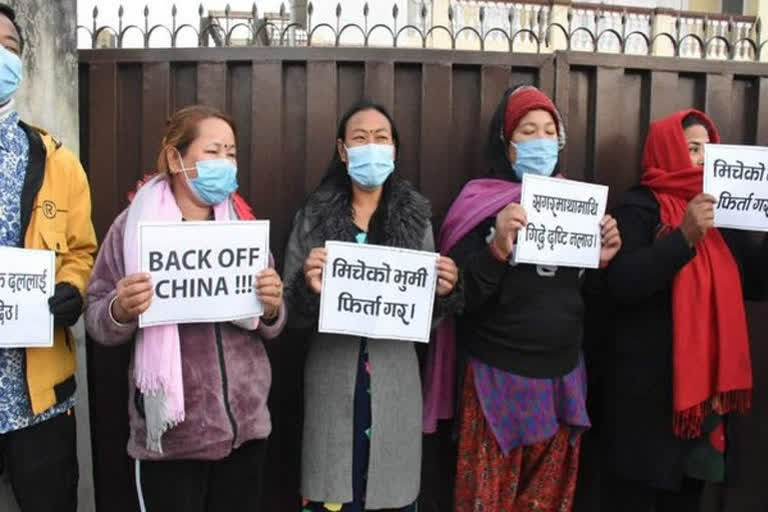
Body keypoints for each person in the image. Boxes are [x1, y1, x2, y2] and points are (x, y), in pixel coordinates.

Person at [85, 105, 285, 512]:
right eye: (213, 152)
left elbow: (271, 323)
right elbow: (96, 318)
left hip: (245, 433)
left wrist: (271, 306)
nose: (226, 163)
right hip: (172, 442)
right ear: (176, 158)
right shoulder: (133, 228)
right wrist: (120, 310)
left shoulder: (242, 225)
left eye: (231, 152)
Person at [438, 85, 621, 511]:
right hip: (496, 383)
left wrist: (602, 260)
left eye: (548, 132)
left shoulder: (577, 207)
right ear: (507, 146)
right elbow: (456, 297)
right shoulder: (478, 205)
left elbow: (583, 296)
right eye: (526, 131)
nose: (541, 141)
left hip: (560, 379)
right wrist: (497, 248)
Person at [283, 99, 461, 512]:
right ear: (342, 150)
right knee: (332, 493)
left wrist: (444, 292)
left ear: (395, 150)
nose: (372, 147)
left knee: (391, 493)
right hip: (332, 377)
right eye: (360, 138)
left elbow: (428, 319)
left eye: (381, 138)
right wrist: (308, 288)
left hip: (395, 379)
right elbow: (288, 314)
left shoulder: (415, 217)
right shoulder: (312, 216)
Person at [601, 109, 768, 511]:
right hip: (647, 402)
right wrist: (684, 238)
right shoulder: (638, 207)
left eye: (709, 151)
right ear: (667, 150)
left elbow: (757, 285)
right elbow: (624, 283)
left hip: (702, 404)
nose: (702, 159)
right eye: (693, 148)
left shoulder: (724, 218)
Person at [0, 4, 97, 511]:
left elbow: (81, 251)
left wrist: (73, 289)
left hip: (36, 398)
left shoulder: (57, 161)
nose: (1, 55)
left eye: (10, 48)